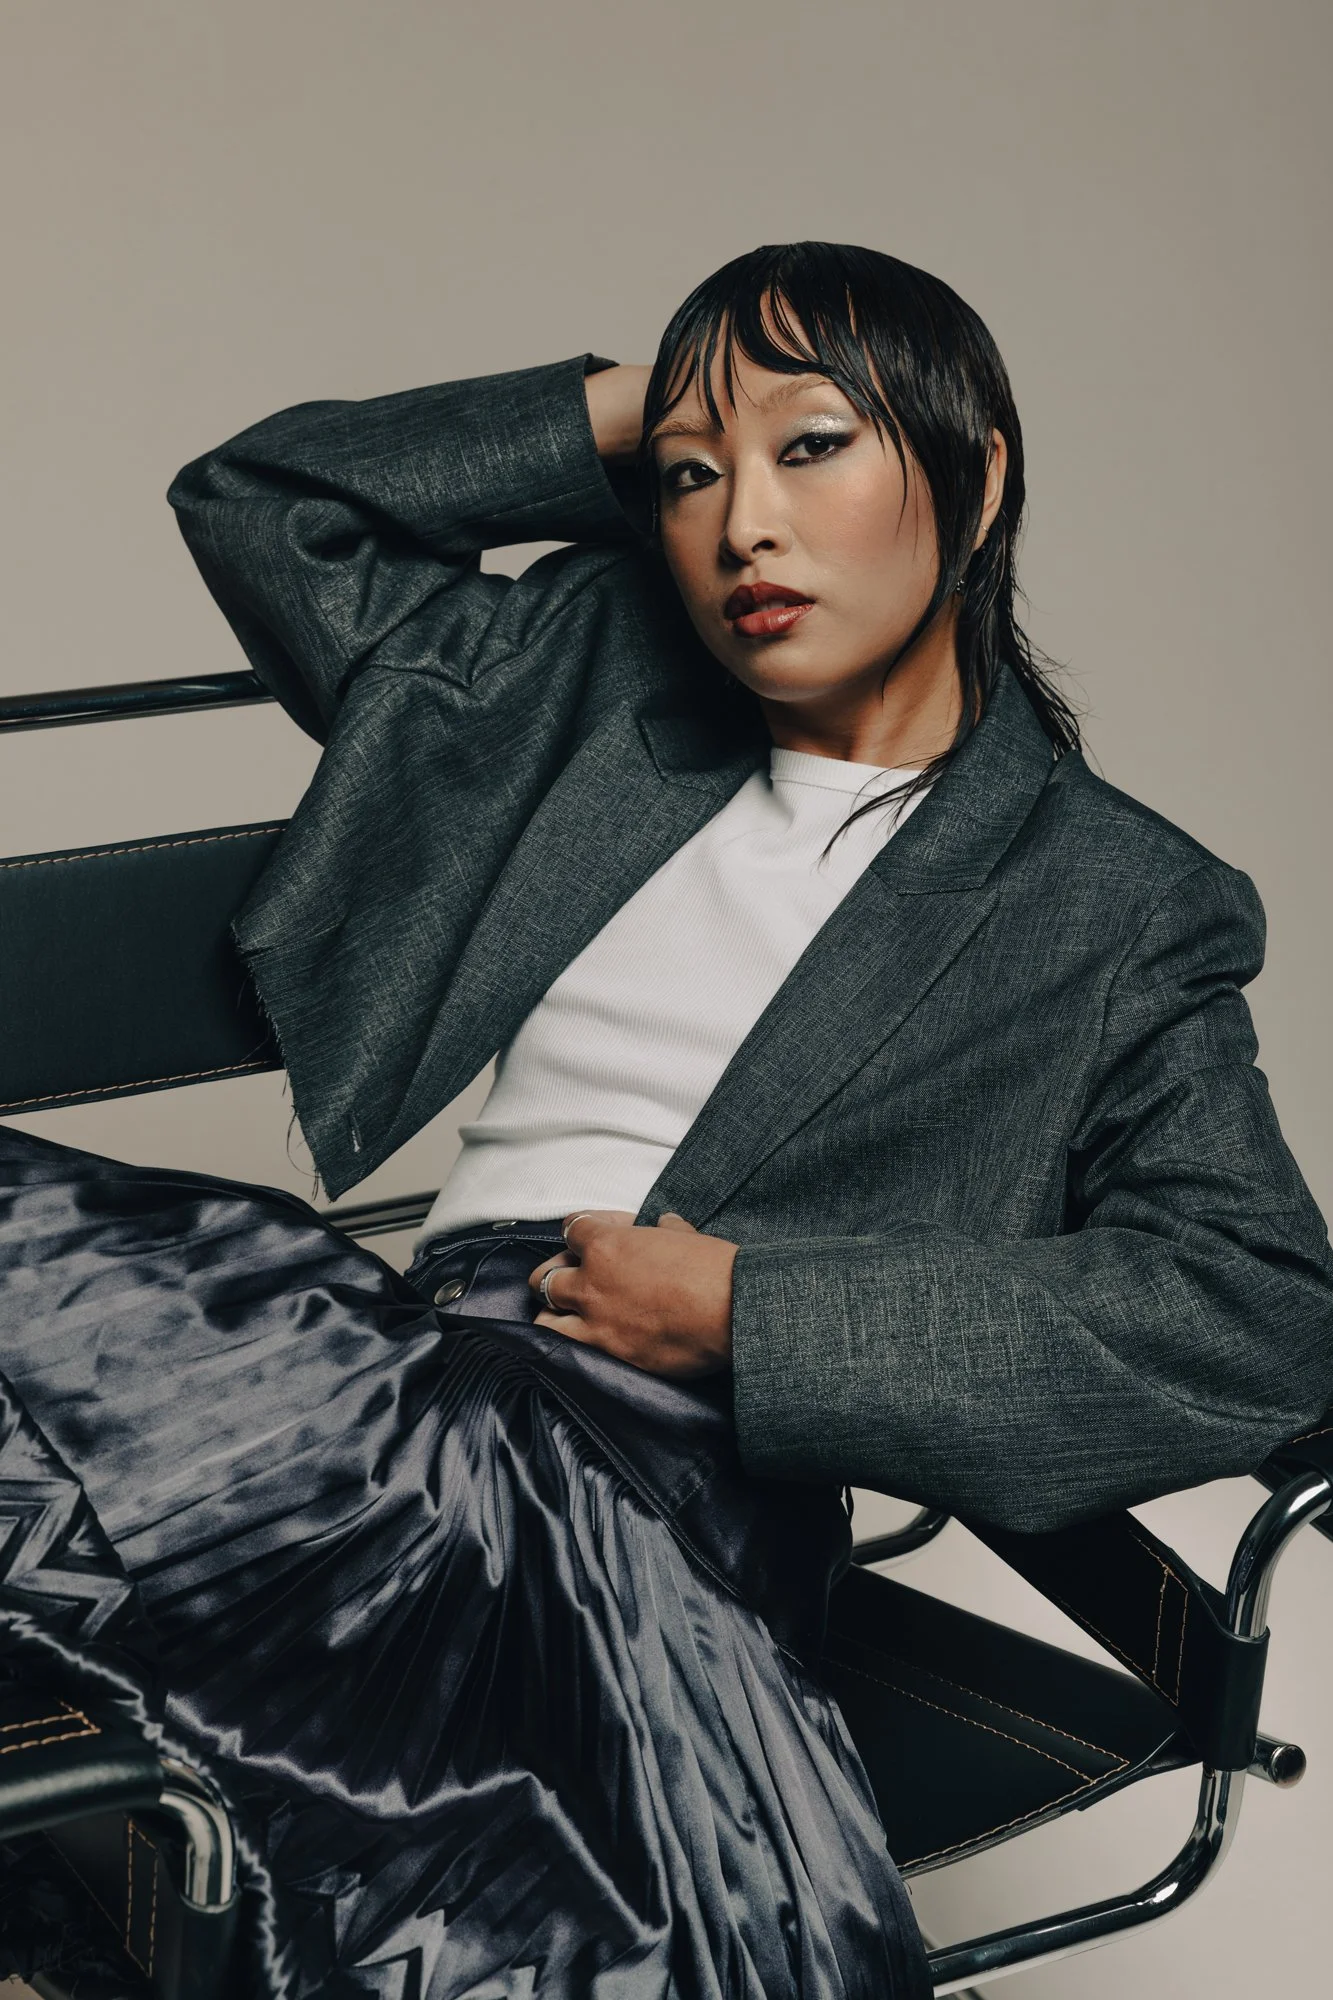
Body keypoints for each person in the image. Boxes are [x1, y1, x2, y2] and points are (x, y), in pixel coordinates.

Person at [1, 241, 1330, 1998]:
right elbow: (265, 507)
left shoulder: (1111, 904)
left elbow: (1262, 1316)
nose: (741, 527)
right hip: (367, 1376)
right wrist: (641, 405)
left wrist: (752, 1319)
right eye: (697, 478)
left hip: (645, 1491)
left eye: (815, 447)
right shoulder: (589, 690)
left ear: (978, 471)